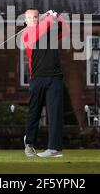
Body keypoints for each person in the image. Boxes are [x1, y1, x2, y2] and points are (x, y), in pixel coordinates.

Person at [22, 8, 70, 157]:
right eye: (29, 18)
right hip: (37, 78)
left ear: (38, 18)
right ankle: (29, 144)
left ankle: (54, 149)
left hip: (55, 78)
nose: (33, 19)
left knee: (55, 113)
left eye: (35, 17)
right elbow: (40, 30)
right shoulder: (27, 34)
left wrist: (57, 15)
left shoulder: (50, 33)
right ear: (26, 21)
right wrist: (49, 17)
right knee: (34, 112)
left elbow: (66, 29)